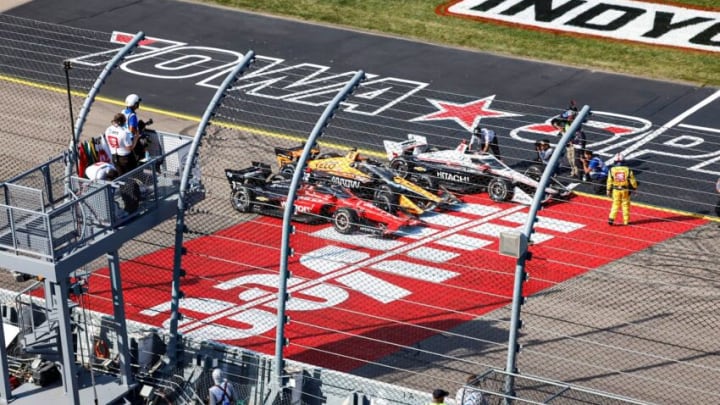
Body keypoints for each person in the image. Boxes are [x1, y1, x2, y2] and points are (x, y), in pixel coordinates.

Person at [606, 153, 638, 226]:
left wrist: (608, 190)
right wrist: (635, 188)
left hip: (615, 190)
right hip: (625, 190)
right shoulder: (628, 170)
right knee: (625, 205)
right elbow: (632, 180)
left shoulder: (612, 170)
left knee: (615, 204)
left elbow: (609, 181)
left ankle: (611, 218)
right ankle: (626, 221)